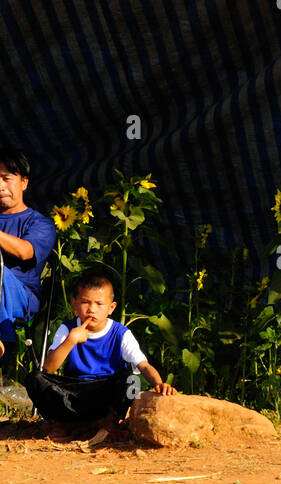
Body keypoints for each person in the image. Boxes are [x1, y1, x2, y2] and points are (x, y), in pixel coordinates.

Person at [28, 267, 176, 423]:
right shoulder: (67, 329)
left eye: (99, 304)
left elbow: (143, 366)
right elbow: (49, 368)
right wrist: (71, 340)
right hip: (75, 392)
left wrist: (159, 384)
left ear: (111, 308)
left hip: (106, 393)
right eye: (85, 302)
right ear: (75, 304)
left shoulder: (120, 333)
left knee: (132, 380)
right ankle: (66, 423)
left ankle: (110, 422)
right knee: (35, 378)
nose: (92, 309)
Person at [0, 148, 56, 359]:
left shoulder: (39, 223)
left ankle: (4, 343)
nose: (0, 186)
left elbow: (25, 251)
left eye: (6, 178)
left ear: (24, 182)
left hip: (21, 296)